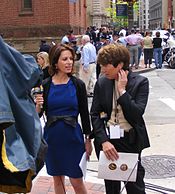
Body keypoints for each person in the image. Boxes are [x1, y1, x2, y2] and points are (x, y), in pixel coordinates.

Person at [90, 44, 150, 194]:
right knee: (111, 187)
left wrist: (122, 91)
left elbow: (136, 114)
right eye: (101, 66)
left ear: (120, 65)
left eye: (106, 66)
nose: (102, 70)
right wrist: (103, 141)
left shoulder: (140, 82)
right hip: (107, 140)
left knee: (134, 186)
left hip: (129, 140)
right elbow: (95, 114)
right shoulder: (102, 82)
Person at [35, 43, 92, 194]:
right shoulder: (45, 85)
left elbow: (85, 114)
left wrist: (88, 140)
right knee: (57, 179)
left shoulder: (77, 84)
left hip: (73, 137)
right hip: (52, 138)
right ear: (55, 62)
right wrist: (38, 106)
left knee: (76, 180)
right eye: (64, 59)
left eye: (71, 59)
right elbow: (39, 115)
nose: (69, 62)